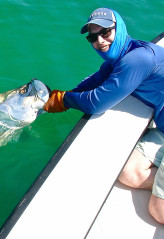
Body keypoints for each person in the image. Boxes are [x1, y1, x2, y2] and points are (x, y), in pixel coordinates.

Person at [43, 7, 164, 224]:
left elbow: (97, 103)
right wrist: (60, 96)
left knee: (158, 210)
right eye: (92, 37)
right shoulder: (121, 57)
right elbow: (95, 81)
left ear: (119, 29)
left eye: (106, 32)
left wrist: (65, 100)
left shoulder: (138, 59)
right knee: (128, 173)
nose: (100, 40)